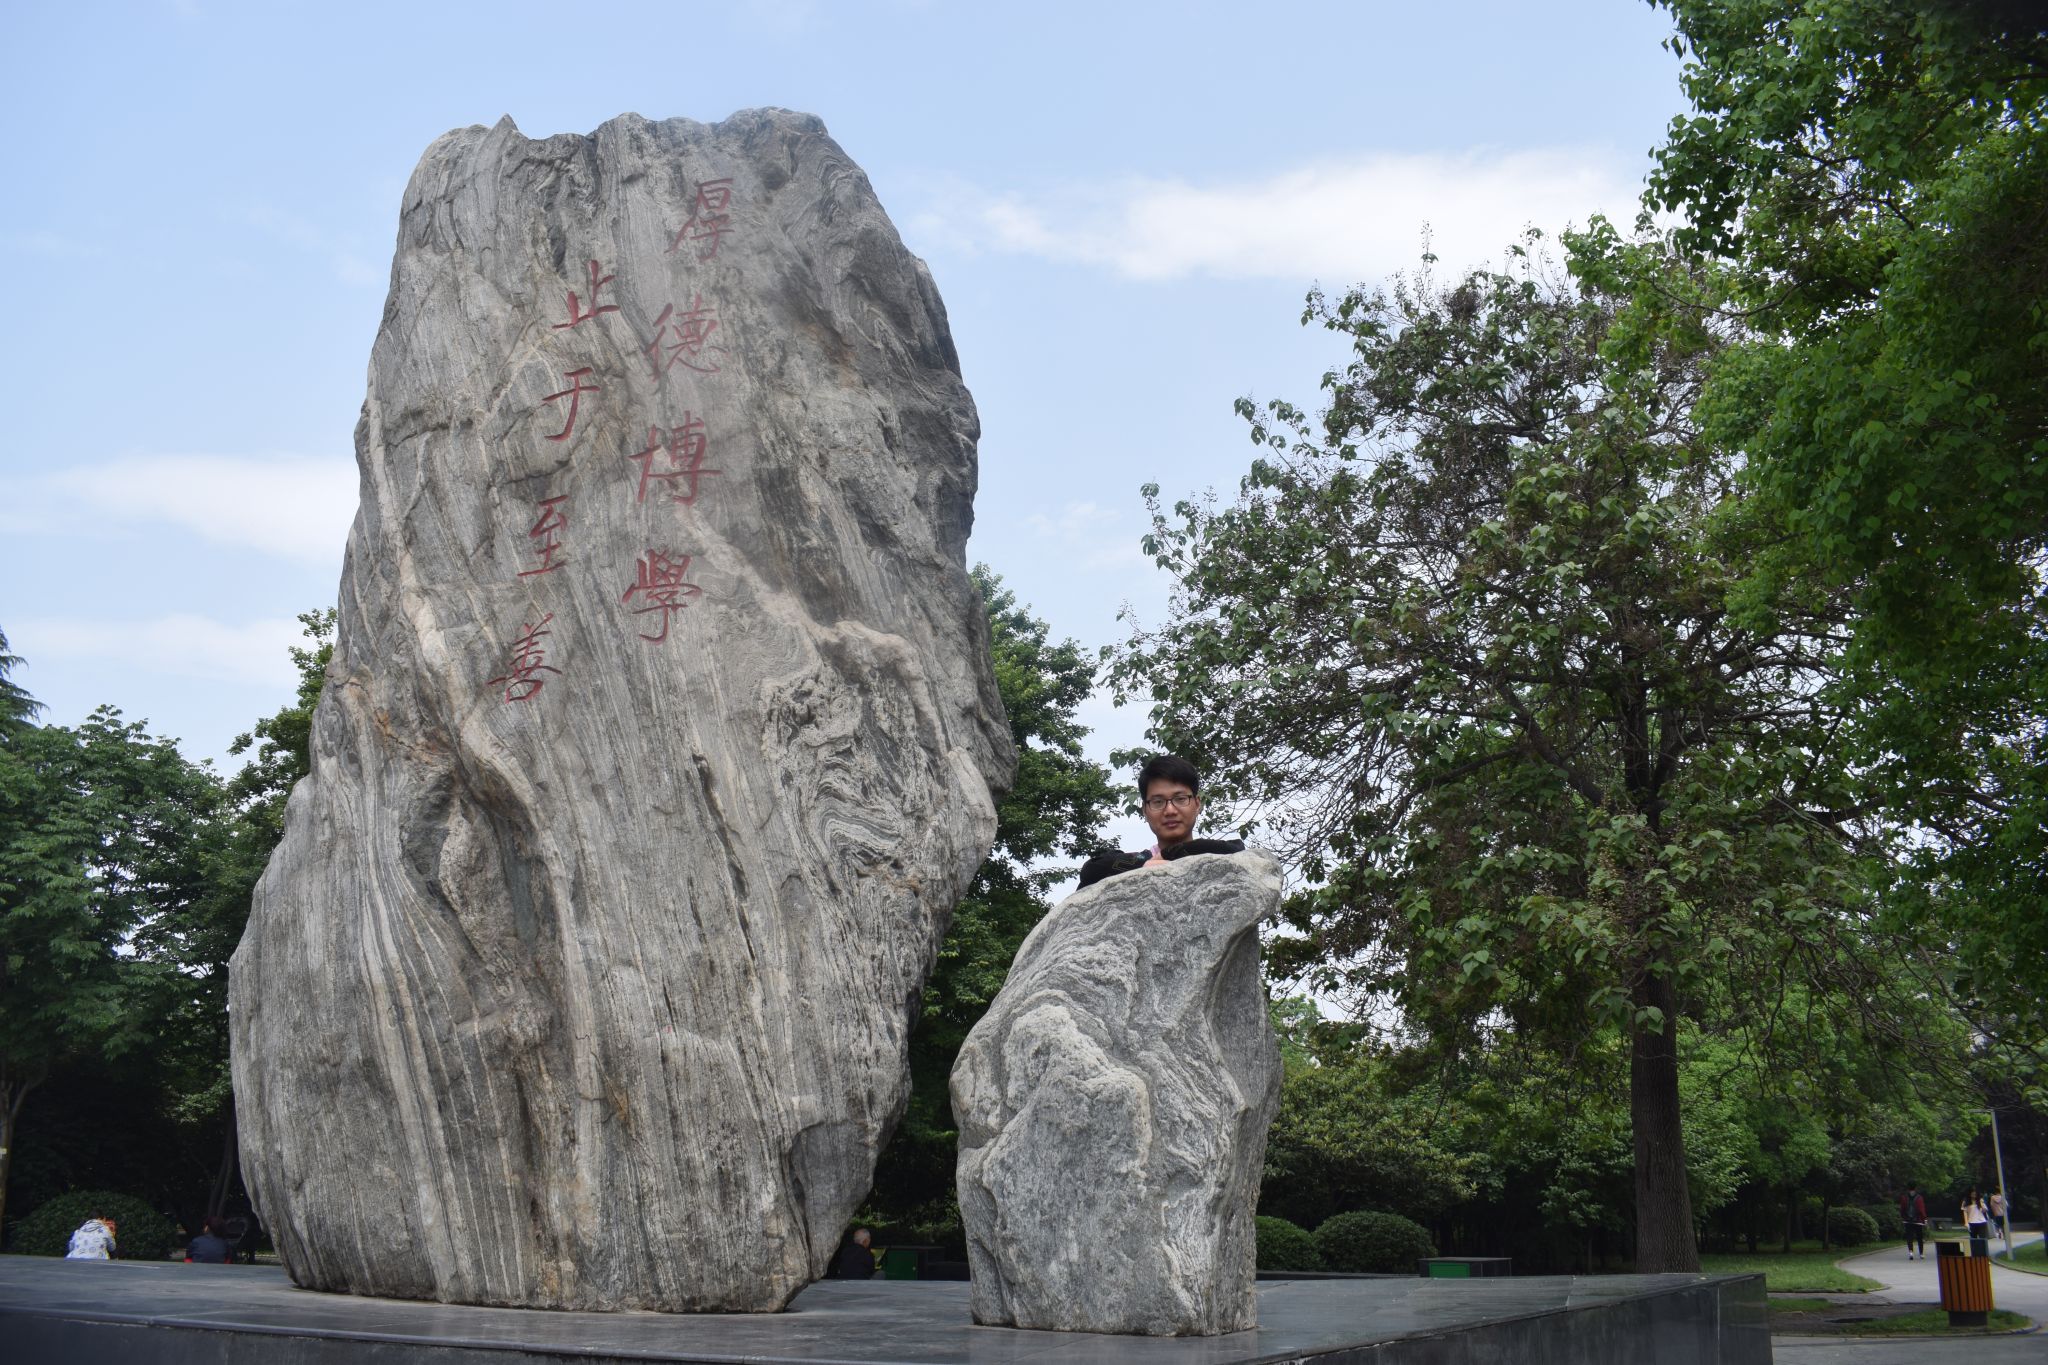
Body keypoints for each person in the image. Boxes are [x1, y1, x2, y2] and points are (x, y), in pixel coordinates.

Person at [1077, 754, 1247, 889]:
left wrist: (1169, 854)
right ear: (1145, 810)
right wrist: (1143, 864)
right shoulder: (1143, 860)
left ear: (1197, 804)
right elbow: (1092, 869)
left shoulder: (1219, 853)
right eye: (1158, 802)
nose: (1170, 810)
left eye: (1180, 799)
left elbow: (1236, 849)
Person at [1899, 1185, 1927, 1260]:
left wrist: (1903, 1217)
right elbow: (1921, 1209)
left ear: (1908, 1188)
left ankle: (1911, 1252)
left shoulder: (1904, 1197)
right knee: (1919, 1237)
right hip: (1918, 1221)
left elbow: (1902, 1209)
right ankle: (1921, 1253)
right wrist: (1924, 1218)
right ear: (1915, 1188)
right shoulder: (1919, 1198)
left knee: (1909, 1237)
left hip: (1907, 1220)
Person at [1963, 1189, 1991, 1256]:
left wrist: (1981, 1204)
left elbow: (1985, 1210)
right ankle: (1975, 1252)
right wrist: (1966, 1222)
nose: (1974, 1195)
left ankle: (1984, 1252)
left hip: (1981, 1221)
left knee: (1982, 1238)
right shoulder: (1966, 1202)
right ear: (1969, 1194)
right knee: (1973, 1238)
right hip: (1971, 1222)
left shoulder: (1980, 1200)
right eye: (1972, 1194)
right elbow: (1965, 1212)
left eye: (1975, 1194)